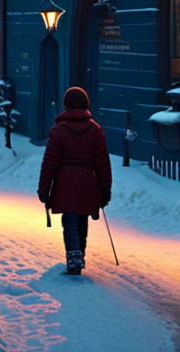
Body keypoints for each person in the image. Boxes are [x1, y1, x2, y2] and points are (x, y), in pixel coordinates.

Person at [37, 86, 112, 275]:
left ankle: (73, 256)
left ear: (66, 106)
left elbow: (50, 163)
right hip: (88, 183)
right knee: (81, 220)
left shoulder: (58, 131)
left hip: (65, 183)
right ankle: (80, 254)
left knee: (69, 220)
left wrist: (44, 189)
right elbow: (103, 164)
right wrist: (105, 191)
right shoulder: (95, 130)